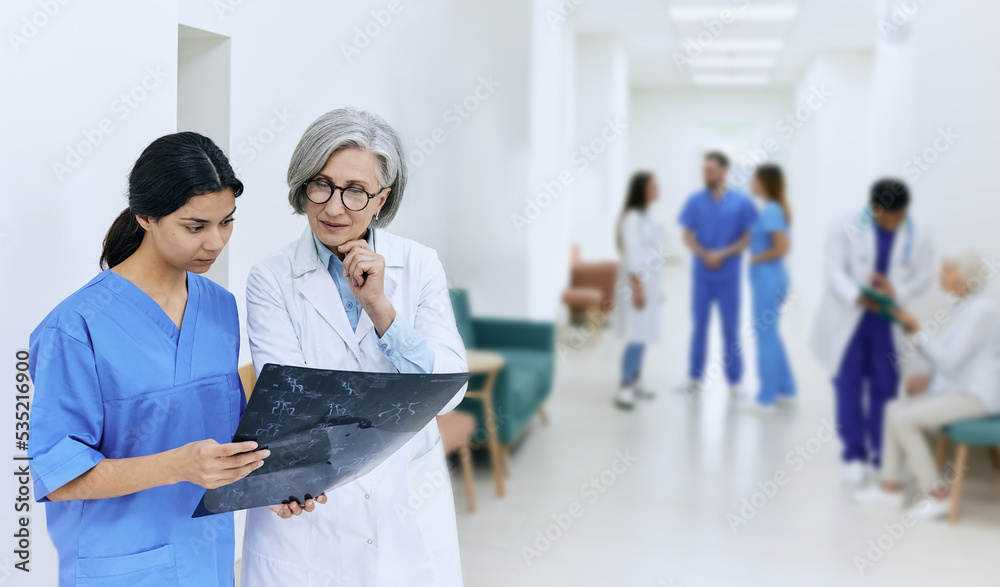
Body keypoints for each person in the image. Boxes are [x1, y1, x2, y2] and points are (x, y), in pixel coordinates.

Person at [27, 132, 271, 586]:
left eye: (227, 222)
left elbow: (220, 425)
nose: (216, 243)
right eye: (195, 227)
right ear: (145, 217)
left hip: (208, 561)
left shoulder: (220, 307)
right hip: (119, 568)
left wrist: (277, 485)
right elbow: (58, 477)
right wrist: (177, 466)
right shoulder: (76, 328)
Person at [241, 107, 469, 586]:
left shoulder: (420, 266)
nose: (333, 207)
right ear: (303, 185)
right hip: (312, 514)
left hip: (404, 504)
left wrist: (380, 307)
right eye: (320, 185)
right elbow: (293, 398)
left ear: (381, 200)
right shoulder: (271, 279)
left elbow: (448, 393)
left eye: (355, 191)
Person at [853, 251, 1000, 519]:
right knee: (893, 410)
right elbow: (951, 355)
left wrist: (916, 327)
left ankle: (937, 495)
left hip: (975, 397)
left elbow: (951, 360)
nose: (939, 276)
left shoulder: (982, 311)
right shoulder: (967, 307)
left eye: (947, 271)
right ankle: (889, 488)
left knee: (904, 420)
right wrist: (928, 375)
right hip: (960, 389)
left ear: (965, 278)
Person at [809, 178, 935, 485]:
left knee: (886, 386)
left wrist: (898, 290)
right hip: (849, 315)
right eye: (886, 219)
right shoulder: (845, 223)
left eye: (899, 218)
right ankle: (854, 453)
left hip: (885, 318)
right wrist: (857, 294)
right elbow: (832, 267)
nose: (892, 224)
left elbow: (925, 275)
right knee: (848, 384)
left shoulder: (919, 231)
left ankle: (881, 451)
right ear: (873, 209)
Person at [678, 151, 757, 396]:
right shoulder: (694, 201)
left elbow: (748, 237)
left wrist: (722, 254)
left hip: (728, 277)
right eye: (704, 169)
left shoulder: (742, 202)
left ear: (724, 170)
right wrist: (704, 254)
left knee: (730, 328)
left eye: (710, 169)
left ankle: (735, 381)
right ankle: (694, 378)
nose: (706, 174)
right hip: (702, 275)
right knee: (699, 326)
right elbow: (686, 235)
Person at [742, 164, 796, 412]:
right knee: (771, 335)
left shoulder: (772, 209)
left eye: (754, 179)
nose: (751, 182)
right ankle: (786, 389)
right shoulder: (772, 208)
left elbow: (782, 247)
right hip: (770, 279)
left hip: (768, 279)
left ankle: (766, 398)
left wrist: (755, 258)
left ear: (763, 182)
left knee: (765, 337)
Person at [613, 172, 665, 409]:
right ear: (642, 189)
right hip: (637, 284)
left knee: (644, 333)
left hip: (649, 283)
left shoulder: (648, 216)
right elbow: (633, 254)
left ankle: (636, 379)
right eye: (653, 186)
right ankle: (624, 386)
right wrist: (638, 288)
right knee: (636, 335)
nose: (658, 189)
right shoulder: (632, 218)